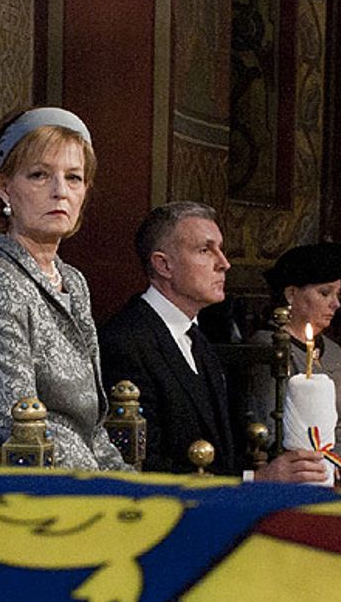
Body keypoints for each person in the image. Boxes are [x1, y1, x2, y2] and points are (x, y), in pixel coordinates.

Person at [0, 107, 125, 470]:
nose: (61, 192)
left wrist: (130, 486)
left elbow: (92, 428)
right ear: (4, 186)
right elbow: (14, 427)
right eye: (40, 175)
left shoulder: (72, 280)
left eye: (74, 178)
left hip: (83, 483)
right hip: (23, 493)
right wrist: (103, 492)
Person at [99, 201, 327, 482]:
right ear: (164, 265)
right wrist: (255, 481)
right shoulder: (126, 341)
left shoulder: (198, 338)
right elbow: (140, 466)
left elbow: (222, 450)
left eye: (221, 249)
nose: (224, 263)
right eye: (205, 250)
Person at [246, 242, 341, 485]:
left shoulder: (331, 349)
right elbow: (273, 429)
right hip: (316, 472)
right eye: (325, 293)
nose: (336, 304)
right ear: (291, 294)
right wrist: (338, 460)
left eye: (337, 294)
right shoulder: (270, 345)